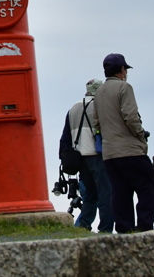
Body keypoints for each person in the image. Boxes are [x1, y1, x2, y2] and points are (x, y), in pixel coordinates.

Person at [92, 53, 154, 233]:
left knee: (120, 192)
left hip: (110, 153)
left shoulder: (98, 93)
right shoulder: (124, 87)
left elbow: (96, 122)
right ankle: (144, 227)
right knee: (147, 188)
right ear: (122, 70)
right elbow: (130, 116)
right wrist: (140, 136)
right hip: (130, 149)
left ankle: (124, 229)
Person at [59, 78, 113, 233]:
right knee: (106, 195)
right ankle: (106, 230)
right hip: (98, 156)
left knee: (89, 196)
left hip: (80, 159)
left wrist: (64, 158)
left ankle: (82, 227)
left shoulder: (73, 108)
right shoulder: (100, 106)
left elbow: (65, 138)